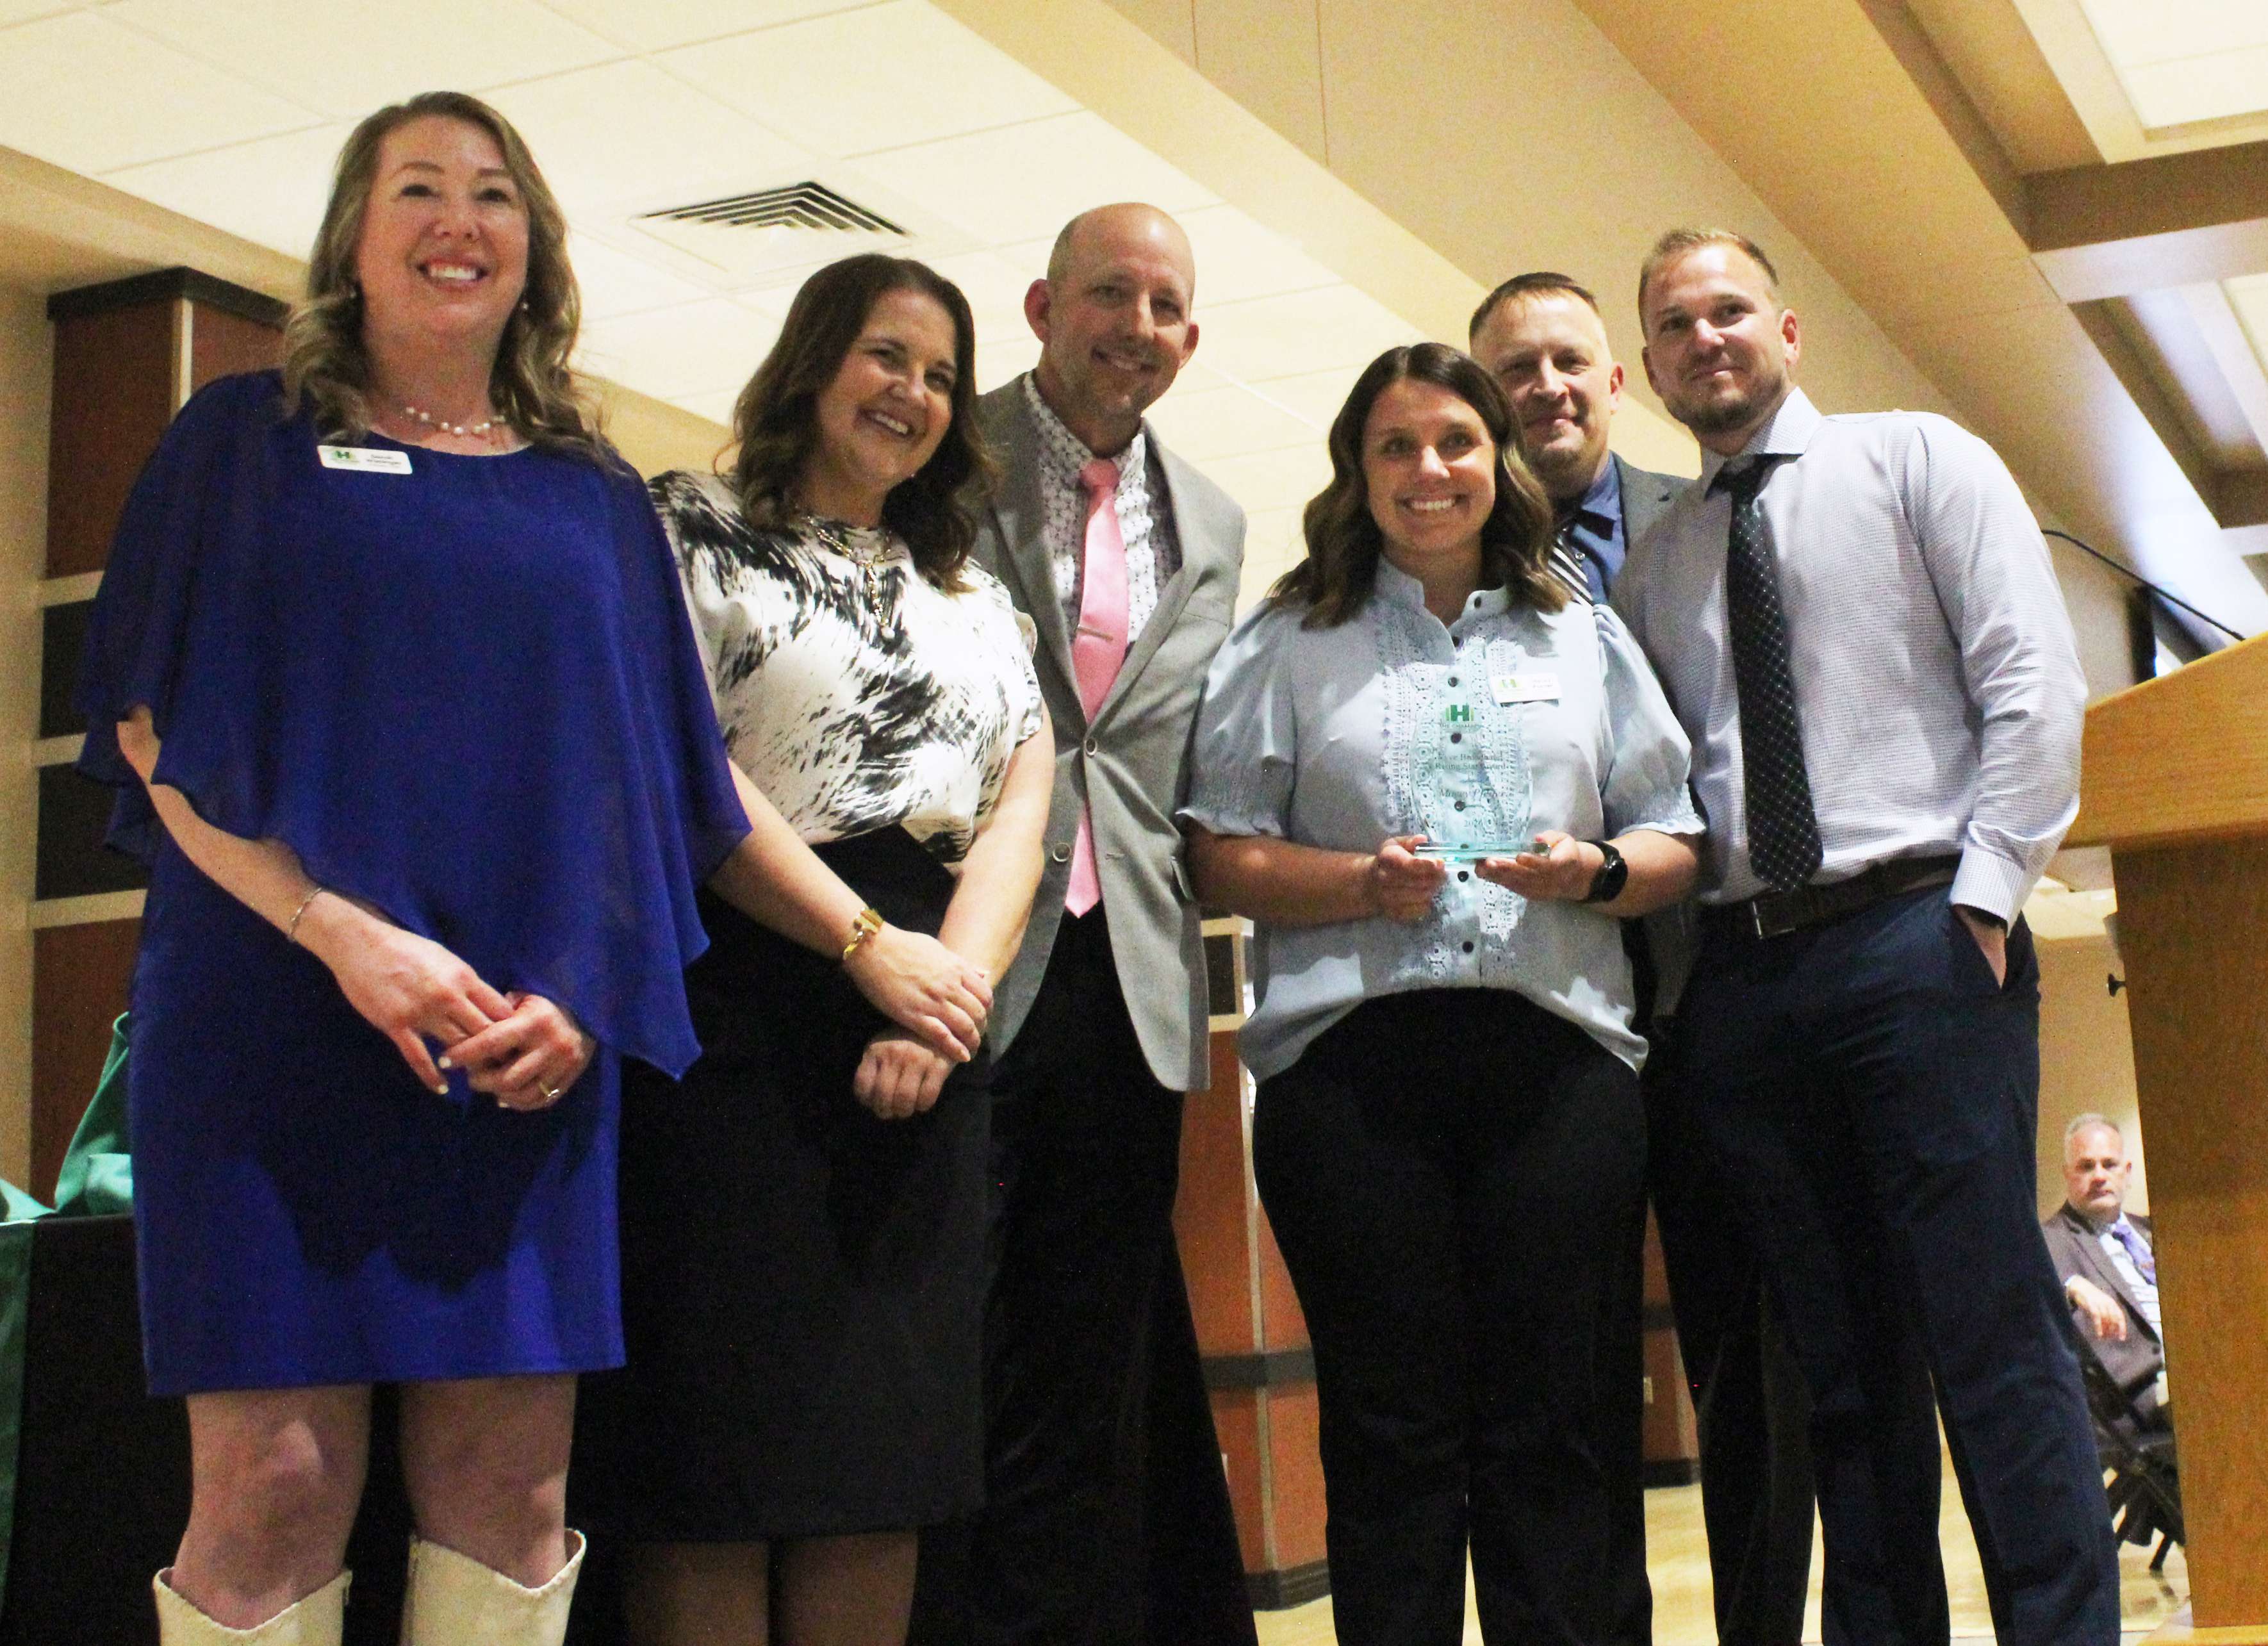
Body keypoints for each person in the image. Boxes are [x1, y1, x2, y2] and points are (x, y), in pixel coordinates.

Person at [72, 92, 760, 1646]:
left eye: (494, 194)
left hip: (521, 1050)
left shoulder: (596, 495)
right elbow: (148, 727)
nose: (460, 220)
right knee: (273, 1483)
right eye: (419, 189)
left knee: (511, 1493)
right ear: (353, 238)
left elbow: (651, 793)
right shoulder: (239, 441)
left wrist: (584, 998)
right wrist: (339, 933)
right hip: (270, 1019)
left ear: (535, 249)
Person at [1613, 227, 2119, 1646]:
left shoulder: (1918, 461)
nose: (1705, 338)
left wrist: (1987, 896)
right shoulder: (1657, 566)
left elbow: (2031, 679)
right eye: (1674, 324)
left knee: (1992, 1335)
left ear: (1787, 330)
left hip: (1921, 937)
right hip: (1750, 975)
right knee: (1842, 1366)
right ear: (1648, 365)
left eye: (1729, 310)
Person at [1183, 341, 1705, 1645]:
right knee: (1391, 1431)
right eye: (1397, 445)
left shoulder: (1582, 631)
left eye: (1457, 441)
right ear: (1357, 472)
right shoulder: (1287, 640)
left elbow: (1675, 836)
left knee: (1558, 1425)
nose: (1430, 468)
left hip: (1559, 1067)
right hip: (1351, 1080)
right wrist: (1359, 881)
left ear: (1499, 461)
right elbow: (1218, 850)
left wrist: (1593, 871)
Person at [575, 254, 1054, 1646]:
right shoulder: (687, 525)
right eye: (886, 355)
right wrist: (862, 945)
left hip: (925, 1028)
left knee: (877, 1464)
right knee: (715, 1466)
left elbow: (1022, 807)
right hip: (735, 1015)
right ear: (813, 359)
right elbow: (681, 774)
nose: (913, 392)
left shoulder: (975, 594)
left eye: (941, 375)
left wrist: (944, 997)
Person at [1471, 272, 1815, 1646]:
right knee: (1563, 1368)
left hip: (1719, 997)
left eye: (1569, 360)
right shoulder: (1445, 556)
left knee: (1752, 1353)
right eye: (1514, 370)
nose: (1545, 387)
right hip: (1542, 1020)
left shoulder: (1715, 517)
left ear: (1617, 379)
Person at [946, 202, 1255, 1646]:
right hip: (965, 946)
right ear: (1040, 307)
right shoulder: (945, 452)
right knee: (952, 1338)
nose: (1138, 326)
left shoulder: (1215, 518)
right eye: (1109, 294)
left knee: (1087, 1356)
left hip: (1130, 972)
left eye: (1166, 305)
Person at [2042, 1114, 2169, 1433]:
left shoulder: (2154, 1230)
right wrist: (2073, 1286)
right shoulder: (2049, 1239)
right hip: (2138, 1400)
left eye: (2109, 1164)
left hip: (2197, 1370)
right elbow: (2030, 1283)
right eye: (2086, 1167)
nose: (2099, 1176)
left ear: (2127, 1172)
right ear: (2068, 1174)